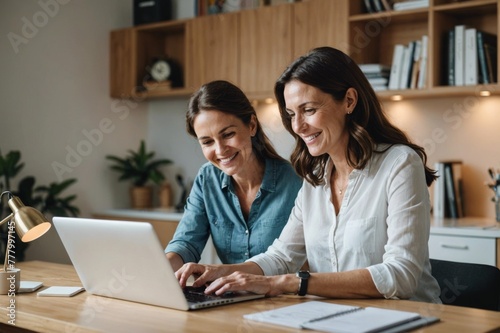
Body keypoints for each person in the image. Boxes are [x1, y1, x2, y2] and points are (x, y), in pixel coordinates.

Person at [174, 47, 442, 303]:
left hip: (408, 319)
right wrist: (221, 272)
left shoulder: (399, 163)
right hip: (337, 320)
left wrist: (288, 283)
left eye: (309, 110)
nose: (298, 126)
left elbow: (402, 274)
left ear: (349, 100)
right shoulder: (316, 176)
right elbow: (281, 256)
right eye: (291, 114)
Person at [165, 80, 302, 271]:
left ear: (252, 125)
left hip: (287, 297)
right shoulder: (207, 179)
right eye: (207, 142)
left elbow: (303, 258)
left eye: (228, 134)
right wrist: (160, 269)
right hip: (233, 297)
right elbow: (186, 243)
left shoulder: (296, 182)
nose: (220, 150)